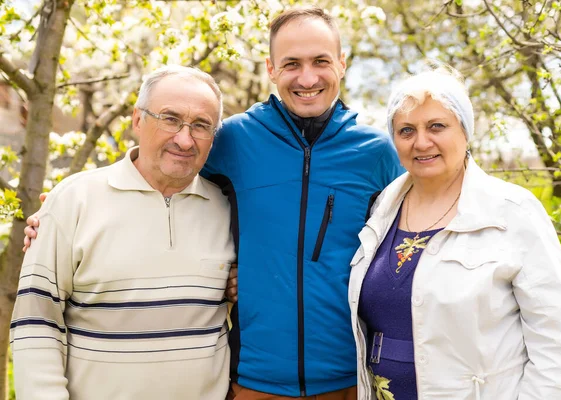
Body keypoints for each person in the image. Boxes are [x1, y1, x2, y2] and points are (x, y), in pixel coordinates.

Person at [23, 7, 404, 399]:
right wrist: (63, 209)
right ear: (271, 69)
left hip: (348, 381)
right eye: (292, 64)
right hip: (252, 383)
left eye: (321, 61)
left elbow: (413, 236)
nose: (307, 78)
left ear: (342, 63)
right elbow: (162, 166)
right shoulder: (234, 139)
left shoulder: (376, 154)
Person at [348, 66, 561, 399]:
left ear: (465, 130)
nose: (421, 142)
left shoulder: (512, 212)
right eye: (406, 130)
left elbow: (559, 353)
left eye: (437, 126)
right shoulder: (381, 209)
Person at [11, 65, 236, 399]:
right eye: (170, 118)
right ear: (137, 120)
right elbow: (36, 325)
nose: (184, 139)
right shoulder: (73, 200)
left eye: (201, 125)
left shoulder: (227, 208)